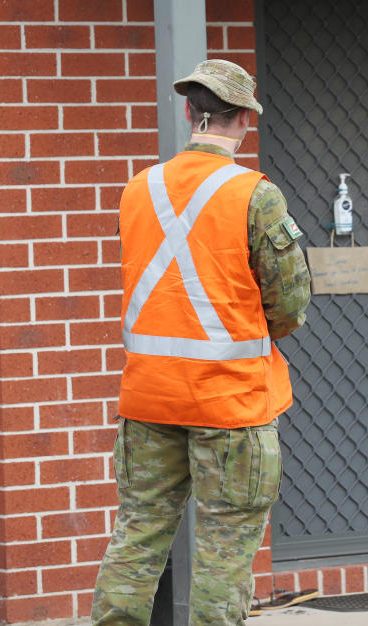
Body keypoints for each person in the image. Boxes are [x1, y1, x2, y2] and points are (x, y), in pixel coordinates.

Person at [91, 59, 311, 625]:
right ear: (243, 120)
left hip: (149, 397)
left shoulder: (137, 189)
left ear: (190, 112)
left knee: (137, 535)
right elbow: (288, 305)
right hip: (230, 405)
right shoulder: (255, 194)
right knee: (225, 551)